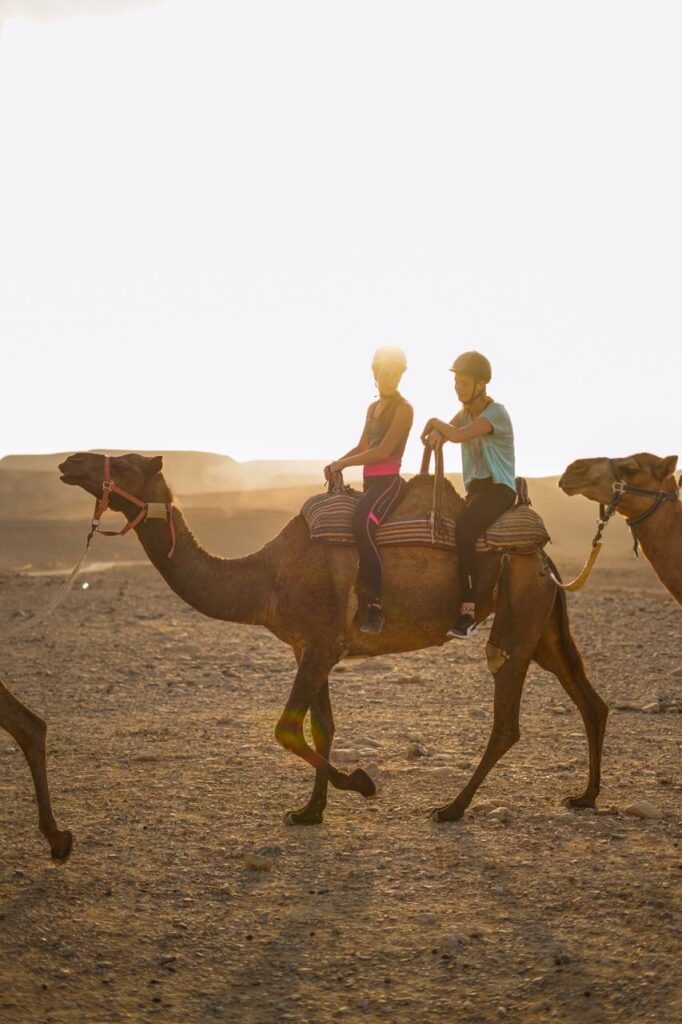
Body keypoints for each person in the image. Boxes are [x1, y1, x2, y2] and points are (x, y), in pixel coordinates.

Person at [421, 351, 516, 639]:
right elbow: (441, 435)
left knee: (465, 529)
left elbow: (458, 435)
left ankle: (468, 612)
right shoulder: (463, 415)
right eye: (456, 383)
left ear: (481, 384)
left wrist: (436, 422)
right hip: (475, 491)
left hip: (498, 489)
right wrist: (434, 434)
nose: (458, 388)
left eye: (464, 383)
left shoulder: (495, 413)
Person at [325, 347, 414, 634]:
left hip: (389, 484)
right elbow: (363, 447)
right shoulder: (372, 408)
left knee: (363, 524)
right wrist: (336, 463)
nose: (389, 378)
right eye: (384, 373)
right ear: (375, 374)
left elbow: (382, 451)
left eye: (395, 373)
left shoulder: (404, 409)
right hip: (369, 484)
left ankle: (376, 605)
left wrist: (344, 463)